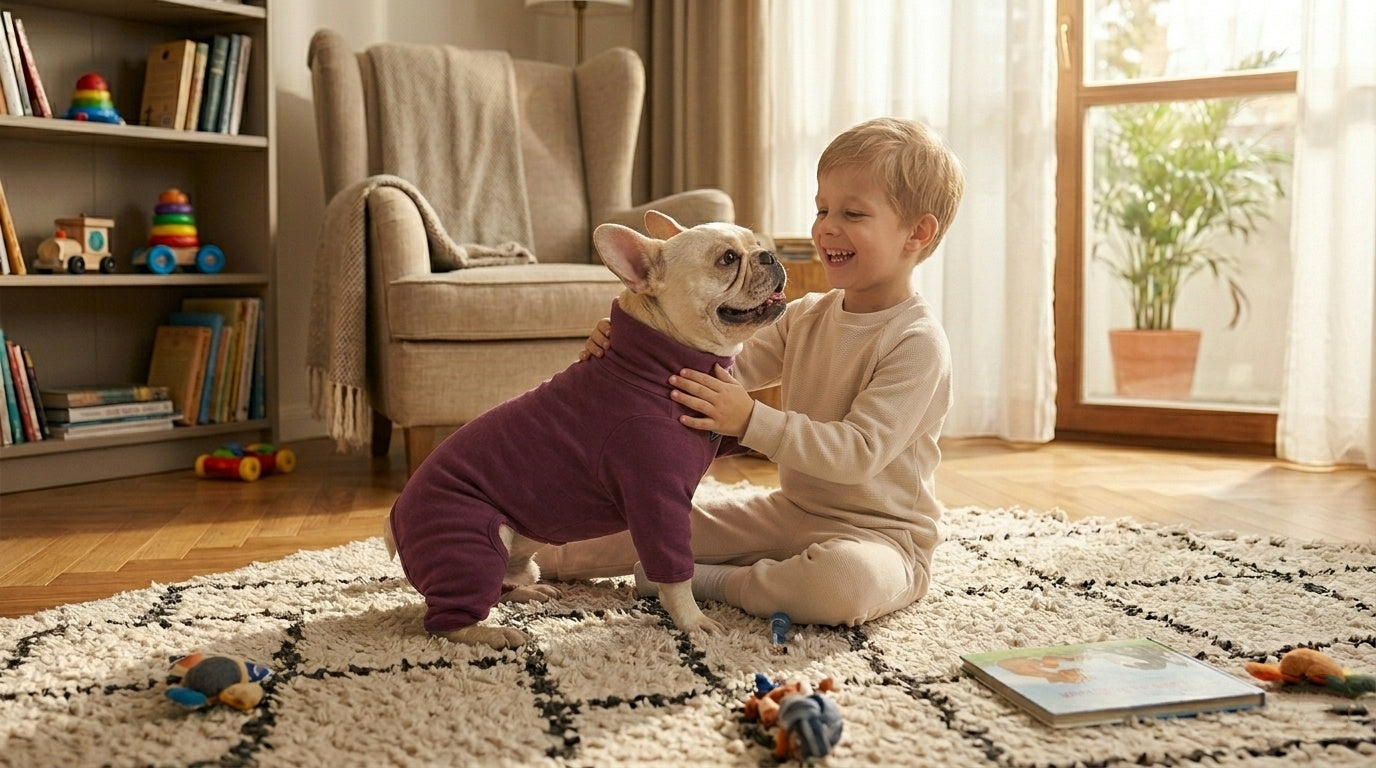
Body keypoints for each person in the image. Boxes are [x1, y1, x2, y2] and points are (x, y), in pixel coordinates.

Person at [537, 117, 964, 626]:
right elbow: (707, 374)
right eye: (822, 208)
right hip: (792, 513)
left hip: (882, 538)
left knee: (840, 586)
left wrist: (749, 422)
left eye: (852, 213)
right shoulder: (807, 315)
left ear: (917, 232)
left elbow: (858, 453)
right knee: (658, 525)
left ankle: (710, 581)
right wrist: (623, 346)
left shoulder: (917, 343)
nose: (827, 226)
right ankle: (521, 557)